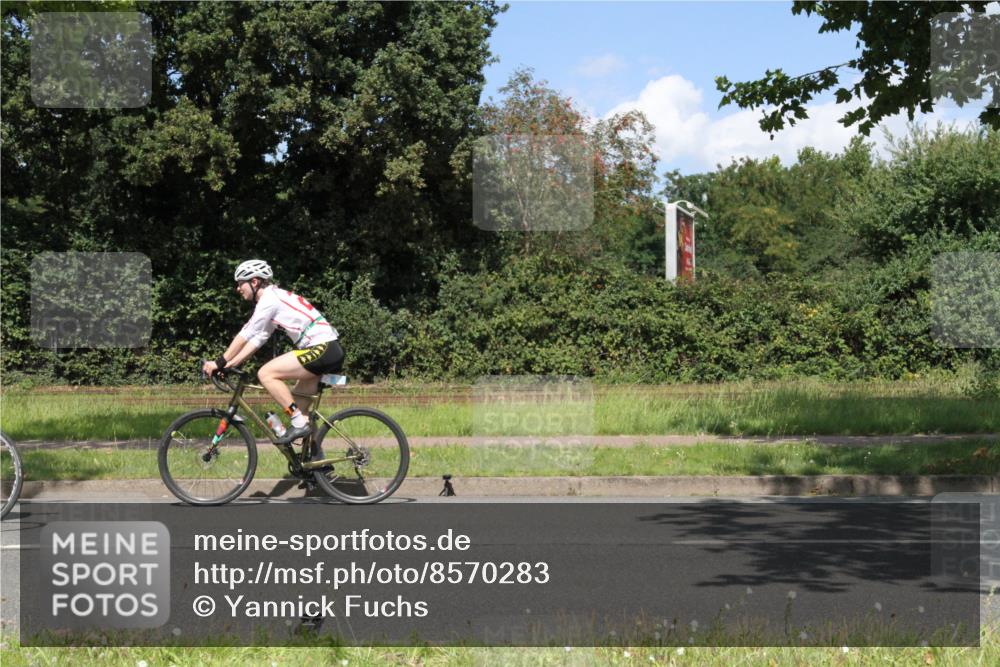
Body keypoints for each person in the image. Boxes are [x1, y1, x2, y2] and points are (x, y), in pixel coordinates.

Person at [202, 259, 344, 444]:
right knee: (300, 410)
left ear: (254, 282)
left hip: (323, 347)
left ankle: (299, 423)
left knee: (266, 373)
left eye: (240, 283)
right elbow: (258, 338)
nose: (238, 289)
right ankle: (317, 465)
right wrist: (230, 364)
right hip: (324, 348)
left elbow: (247, 332)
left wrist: (218, 362)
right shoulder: (273, 298)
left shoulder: (270, 299)